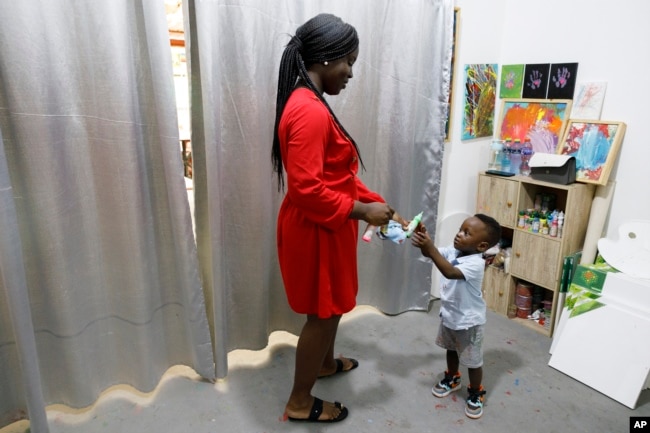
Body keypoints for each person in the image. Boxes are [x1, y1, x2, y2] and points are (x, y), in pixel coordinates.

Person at [271, 13, 405, 423]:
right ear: (326, 58)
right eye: (348, 61)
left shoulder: (310, 102)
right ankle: (298, 401)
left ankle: (325, 364)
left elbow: (336, 177)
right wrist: (363, 210)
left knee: (331, 306)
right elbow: (306, 189)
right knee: (323, 312)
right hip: (315, 229)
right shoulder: (309, 111)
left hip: (326, 224)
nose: (350, 73)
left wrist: (374, 202)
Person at [410, 213, 501, 419]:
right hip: (450, 315)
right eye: (460, 229)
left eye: (466, 233)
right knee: (451, 350)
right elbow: (433, 255)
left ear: (481, 246)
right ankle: (452, 378)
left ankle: (476, 391)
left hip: (469, 322)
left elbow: (449, 271)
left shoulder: (476, 264)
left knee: (473, 360)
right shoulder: (454, 251)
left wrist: (430, 248)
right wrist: (425, 241)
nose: (459, 235)